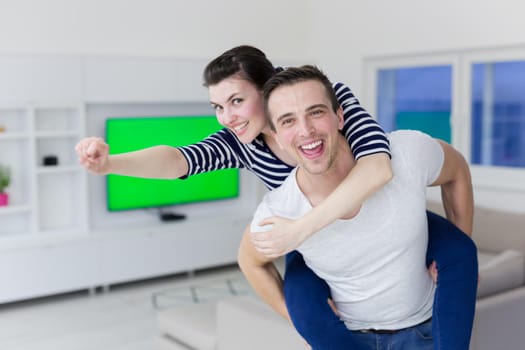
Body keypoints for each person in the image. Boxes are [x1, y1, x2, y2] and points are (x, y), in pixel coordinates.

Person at [75, 46, 477, 349]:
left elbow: (377, 168)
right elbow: (179, 161)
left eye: (236, 101)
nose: (228, 116)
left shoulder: (332, 104)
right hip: (309, 240)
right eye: (218, 106)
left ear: (268, 91)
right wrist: (111, 162)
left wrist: (301, 227)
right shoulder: (241, 142)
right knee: (304, 304)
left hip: (362, 218)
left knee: (457, 249)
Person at [239, 65, 477, 350]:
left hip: (426, 333)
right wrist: (302, 323)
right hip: (349, 340)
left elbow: (457, 169)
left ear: (339, 116)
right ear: (276, 136)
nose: (306, 130)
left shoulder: (406, 153)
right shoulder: (279, 210)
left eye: (316, 112)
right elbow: (251, 261)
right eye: (288, 121)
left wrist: (456, 256)